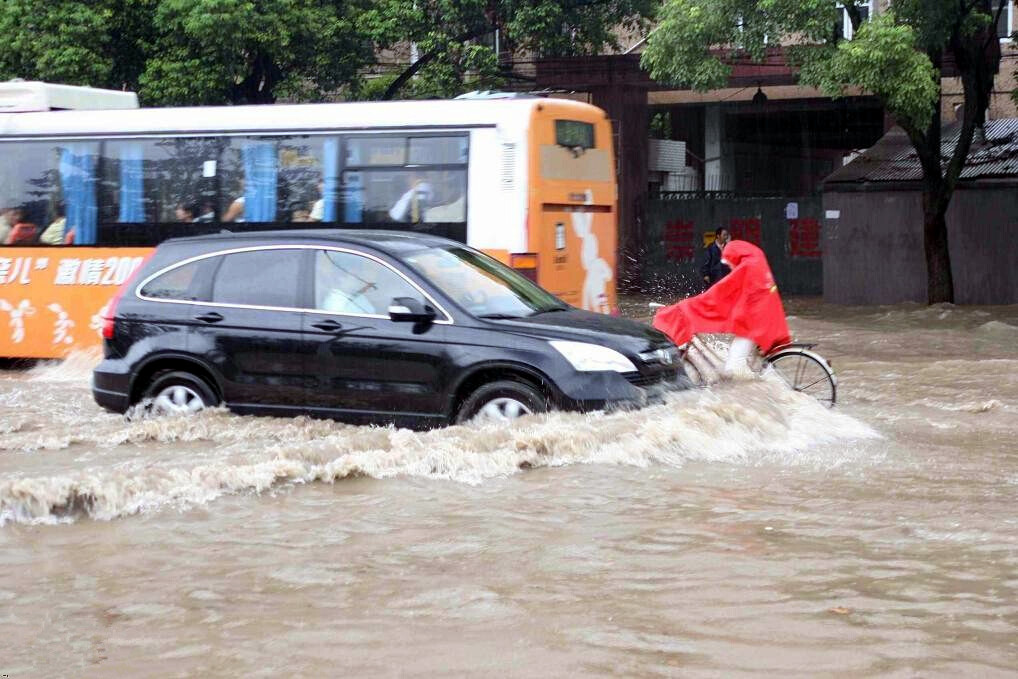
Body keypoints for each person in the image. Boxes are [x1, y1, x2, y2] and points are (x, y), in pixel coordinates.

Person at [653, 240, 790, 375]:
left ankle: (757, 390)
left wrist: (686, 306)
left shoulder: (747, 268)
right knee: (744, 363)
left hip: (754, 327)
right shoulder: (757, 263)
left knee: (732, 369)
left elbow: (719, 293)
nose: (731, 268)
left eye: (730, 263)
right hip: (764, 323)